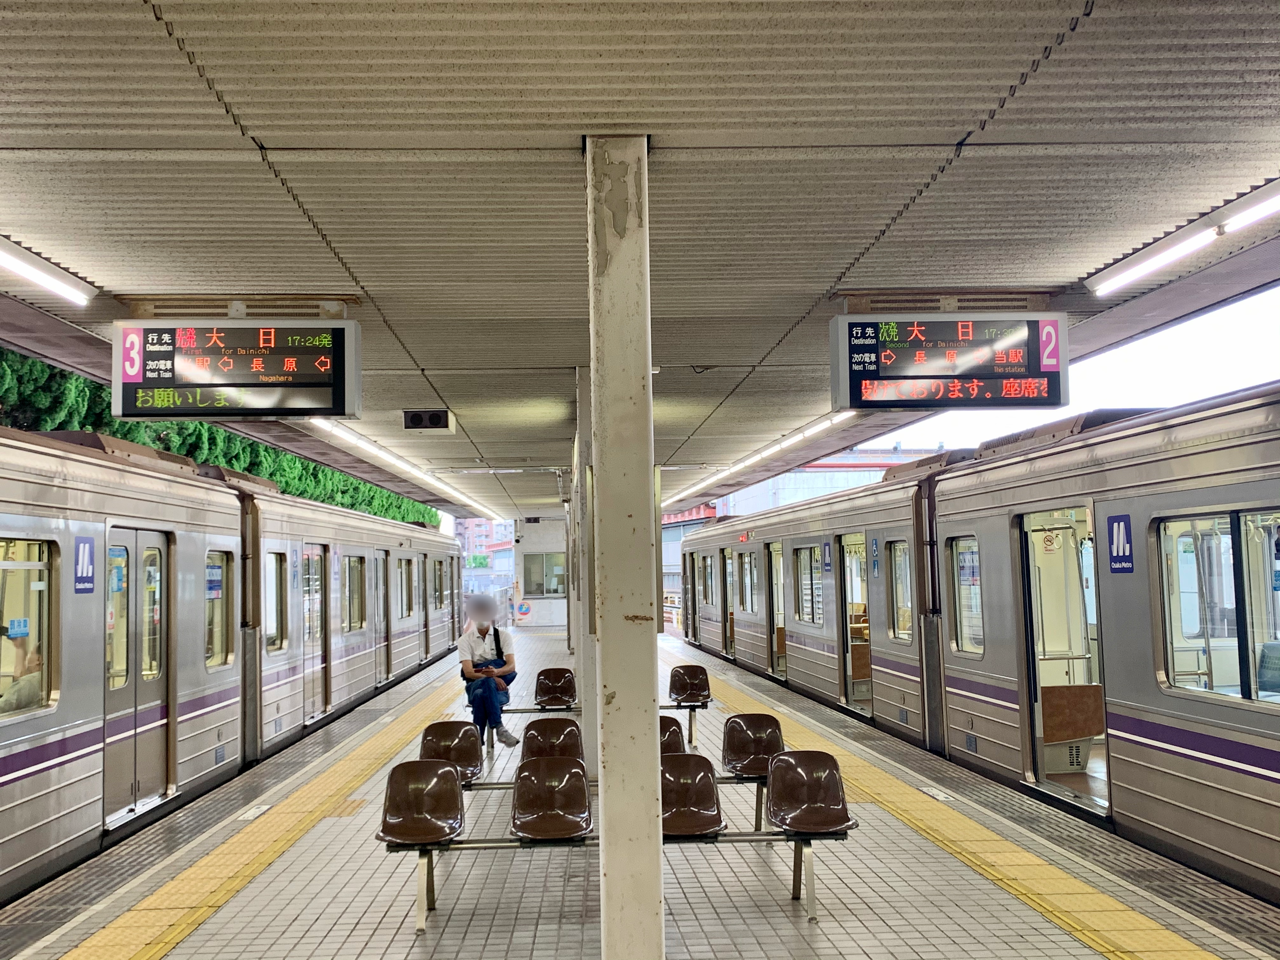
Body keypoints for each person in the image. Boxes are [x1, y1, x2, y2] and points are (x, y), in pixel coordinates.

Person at [458, 594, 519, 746]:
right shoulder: (464, 640)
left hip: (496, 687)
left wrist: (496, 673)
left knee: (480, 695)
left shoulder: (503, 636)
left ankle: (477, 741)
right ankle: (499, 727)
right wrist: (492, 677)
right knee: (487, 683)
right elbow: (468, 672)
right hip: (477, 684)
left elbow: (511, 666)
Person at [0, 639, 43, 714]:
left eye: (31, 653)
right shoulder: (48, 681)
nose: (27, 658)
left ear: (38, 659)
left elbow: (2, 707)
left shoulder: (28, 683)